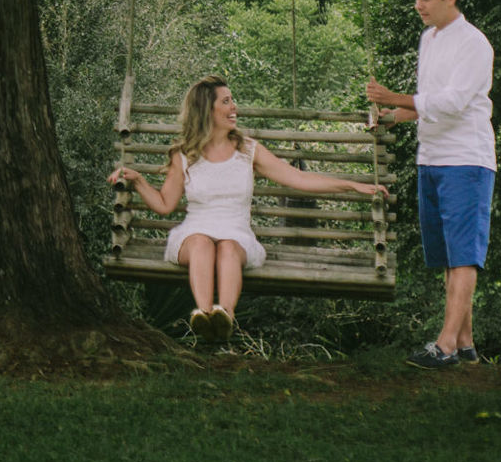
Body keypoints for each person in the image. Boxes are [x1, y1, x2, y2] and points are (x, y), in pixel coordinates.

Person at [109, 75, 389, 344]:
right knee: (201, 243)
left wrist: (351, 185)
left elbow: (299, 179)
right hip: (194, 232)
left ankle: (224, 317)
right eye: (226, 102)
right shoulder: (184, 155)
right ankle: (203, 316)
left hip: (237, 233)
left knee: (228, 247)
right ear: (207, 109)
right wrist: (139, 181)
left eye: (233, 100)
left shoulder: (248, 150)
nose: (234, 107)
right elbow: (164, 205)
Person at [367, 0, 496, 369]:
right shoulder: (429, 39)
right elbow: (429, 103)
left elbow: (454, 103)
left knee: (464, 256)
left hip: (467, 160)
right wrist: (392, 115)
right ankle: (465, 343)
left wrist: (393, 97)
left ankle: (445, 346)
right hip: (432, 158)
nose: (418, 5)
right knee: (447, 257)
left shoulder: (474, 43)